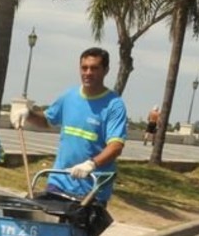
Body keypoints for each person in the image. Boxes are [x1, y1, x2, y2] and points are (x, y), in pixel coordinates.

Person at [9, 47, 128, 205]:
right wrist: (28, 114)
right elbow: (46, 120)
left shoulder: (114, 105)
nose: (88, 73)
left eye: (94, 68)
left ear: (106, 70)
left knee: (75, 230)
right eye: (84, 68)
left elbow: (116, 146)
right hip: (59, 183)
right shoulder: (69, 97)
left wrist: (91, 164)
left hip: (91, 191)